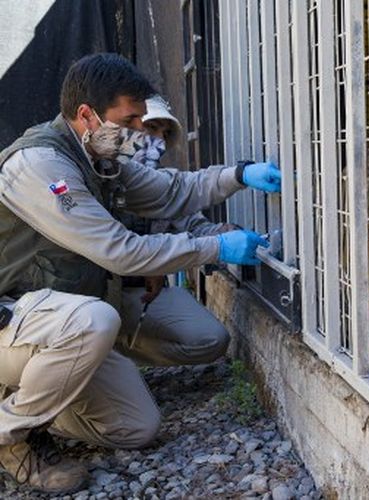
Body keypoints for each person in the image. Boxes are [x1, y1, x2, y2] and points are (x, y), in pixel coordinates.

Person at [0, 53, 282, 494]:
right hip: (14, 321)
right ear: (87, 115)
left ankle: (40, 392)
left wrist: (240, 174)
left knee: (136, 428)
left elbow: (174, 191)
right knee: (96, 321)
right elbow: (121, 253)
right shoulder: (41, 167)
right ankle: (10, 437)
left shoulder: (99, 160)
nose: (137, 132)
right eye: (129, 120)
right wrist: (216, 247)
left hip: (60, 318)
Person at [113, 95, 240, 365]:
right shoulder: (98, 176)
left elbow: (193, 223)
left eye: (165, 133)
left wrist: (228, 235)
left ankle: (121, 356)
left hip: (135, 295)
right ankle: (101, 359)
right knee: (91, 325)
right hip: (90, 294)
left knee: (211, 339)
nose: (158, 140)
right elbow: (105, 247)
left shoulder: (158, 182)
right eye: (151, 128)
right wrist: (152, 261)